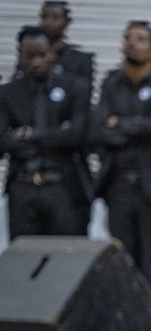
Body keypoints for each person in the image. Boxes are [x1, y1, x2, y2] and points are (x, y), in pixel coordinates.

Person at [91, 21, 151, 325]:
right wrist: (139, 129)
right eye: (128, 38)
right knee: (122, 263)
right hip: (117, 187)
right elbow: (99, 129)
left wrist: (120, 124)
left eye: (141, 39)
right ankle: (126, 329)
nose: (132, 44)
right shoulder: (111, 82)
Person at [0, 26, 91, 238]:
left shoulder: (76, 88)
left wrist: (29, 134)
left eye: (42, 55)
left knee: (68, 256)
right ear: (21, 56)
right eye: (29, 56)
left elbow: (76, 136)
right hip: (23, 186)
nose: (36, 62)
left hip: (63, 187)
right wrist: (57, 134)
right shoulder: (8, 94)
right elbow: (2, 143)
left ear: (53, 53)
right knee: (25, 258)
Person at [36, 1, 92, 83]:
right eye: (44, 17)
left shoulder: (80, 60)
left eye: (55, 18)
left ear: (67, 21)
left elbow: (84, 92)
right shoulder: (33, 57)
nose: (48, 23)